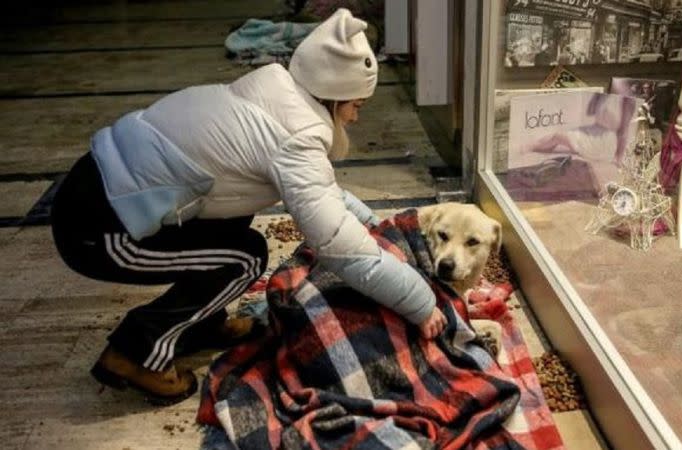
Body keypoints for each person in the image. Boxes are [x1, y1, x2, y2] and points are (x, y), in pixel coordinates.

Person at [50, 8, 445, 405]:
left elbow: (322, 195)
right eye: (357, 104)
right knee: (245, 259)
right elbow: (342, 249)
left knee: (237, 218)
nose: (358, 114)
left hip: (104, 193)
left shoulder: (276, 95)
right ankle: (134, 353)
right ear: (336, 93)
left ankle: (204, 322)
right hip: (99, 228)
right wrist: (422, 304)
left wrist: (371, 222)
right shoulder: (296, 139)